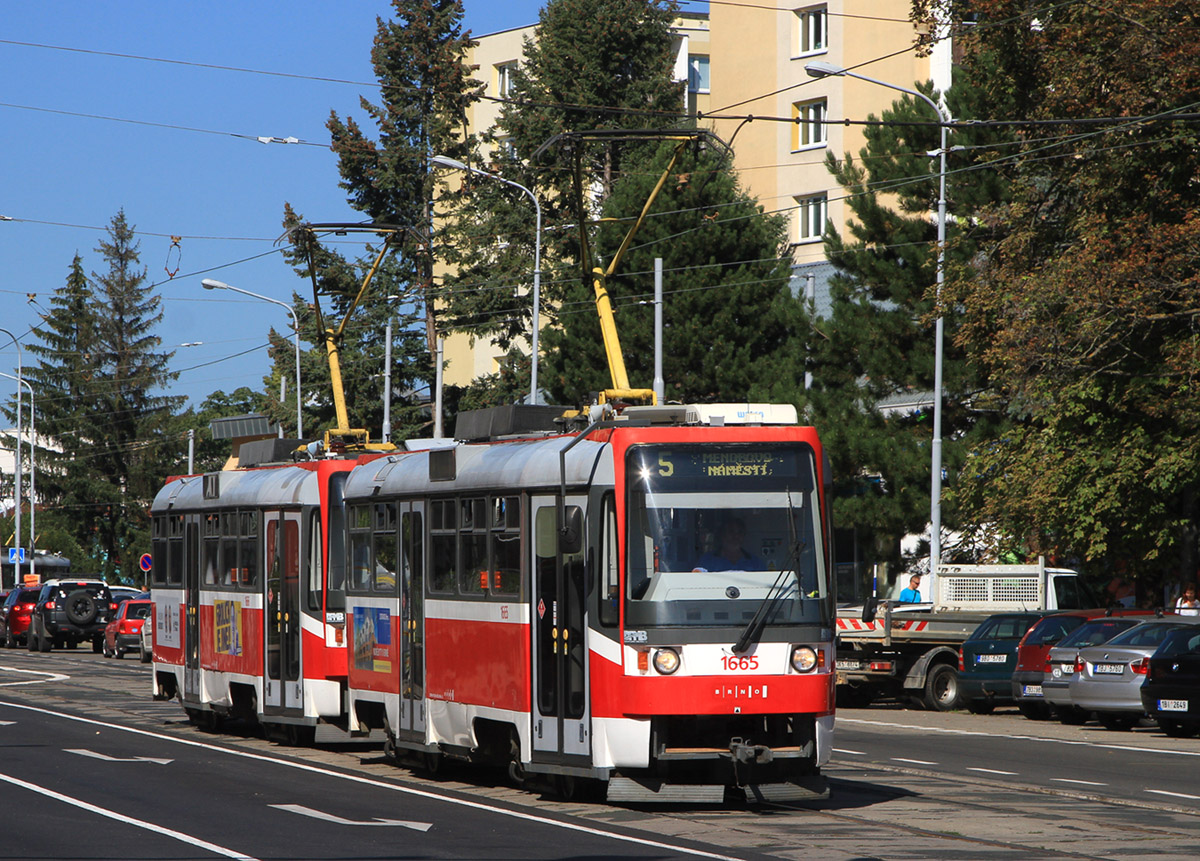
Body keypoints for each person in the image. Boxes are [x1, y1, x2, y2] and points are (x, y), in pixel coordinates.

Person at [694, 517, 765, 572]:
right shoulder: (707, 561)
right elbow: (697, 581)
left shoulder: (755, 562)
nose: (736, 536)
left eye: (740, 532)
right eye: (731, 532)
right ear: (722, 534)